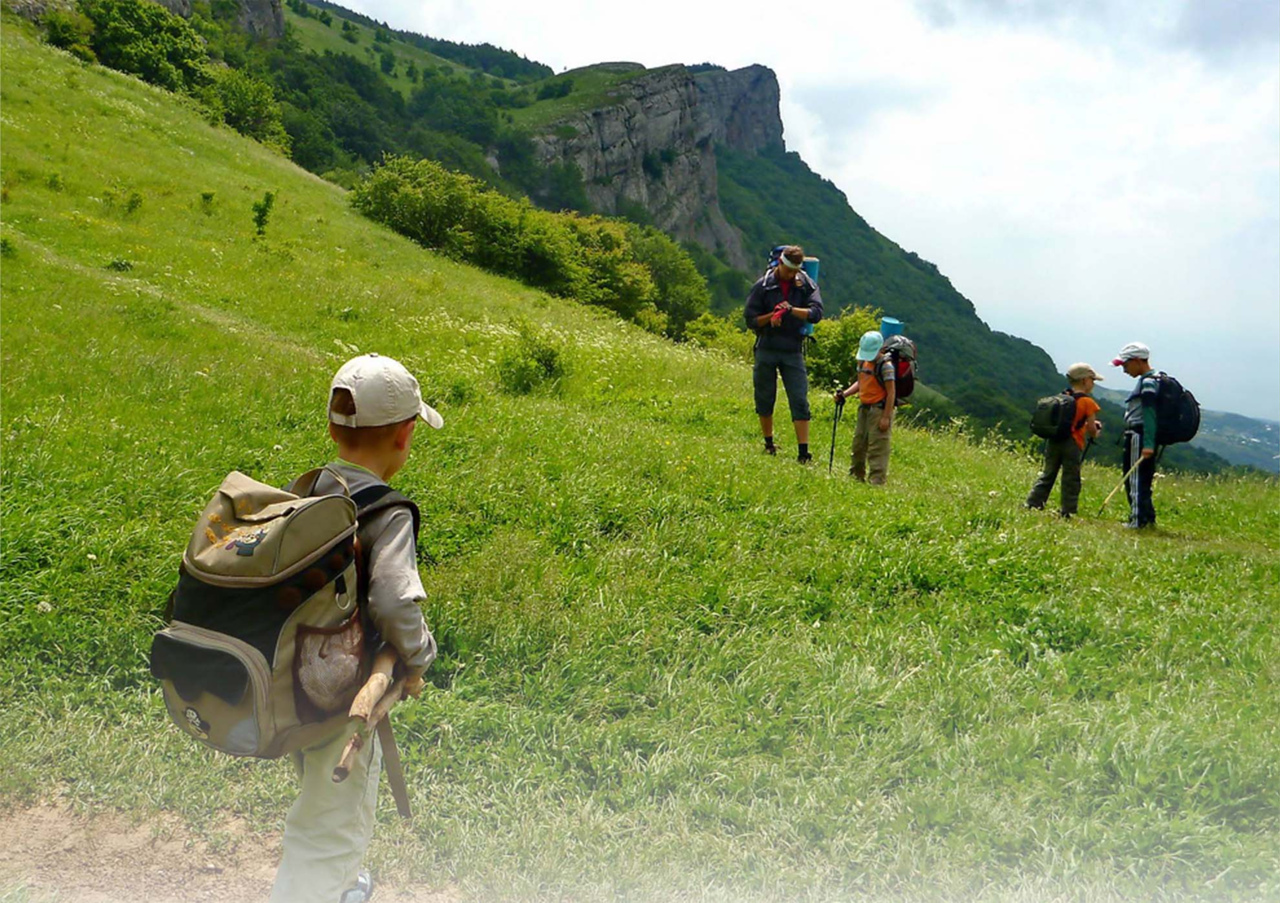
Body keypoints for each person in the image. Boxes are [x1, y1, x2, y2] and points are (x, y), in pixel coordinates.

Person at [271, 353, 442, 903]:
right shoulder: (386, 511)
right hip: (343, 693)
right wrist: (419, 653)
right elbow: (393, 601)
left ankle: (338, 888)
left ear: (332, 427)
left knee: (321, 798)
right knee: (330, 824)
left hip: (295, 675)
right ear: (404, 435)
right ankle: (318, 892)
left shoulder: (311, 486)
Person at [743, 245, 824, 462]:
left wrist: (791, 310)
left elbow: (816, 313)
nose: (792, 275)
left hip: (792, 348)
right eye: (789, 271)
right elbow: (750, 319)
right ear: (780, 264)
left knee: (799, 399)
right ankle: (768, 443)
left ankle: (803, 452)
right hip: (767, 346)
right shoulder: (763, 286)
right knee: (764, 396)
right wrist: (772, 316)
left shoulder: (805, 284)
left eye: (796, 271)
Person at [1024, 362, 1103, 518]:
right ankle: (1068, 511)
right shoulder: (1088, 402)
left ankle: (1033, 503)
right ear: (1085, 380)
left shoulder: (1064, 396)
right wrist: (1095, 433)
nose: (1093, 384)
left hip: (1054, 440)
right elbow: (1092, 428)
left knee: (1048, 474)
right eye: (1092, 380)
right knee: (1071, 478)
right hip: (1073, 443)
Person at [833, 330, 895, 485]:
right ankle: (856, 475)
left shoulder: (886, 366)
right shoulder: (863, 362)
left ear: (881, 349)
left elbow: (891, 392)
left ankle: (877, 481)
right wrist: (844, 394)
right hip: (864, 407)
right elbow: (861, 383)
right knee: (859, 443)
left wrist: (886, 417)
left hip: (879, 410)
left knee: (877, 446)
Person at [1112, 341, 1160, 529]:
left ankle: (1137, 521)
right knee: (1143, 479)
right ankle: (1147, 518)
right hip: (1143, 436)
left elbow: (1149, 415)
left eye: (1125, 364)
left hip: (1138, 436)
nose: (1124, 369)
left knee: (1134, 478)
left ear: (1138, 361)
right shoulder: (1154, 380)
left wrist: (1148, 444)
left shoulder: (1147, 383)